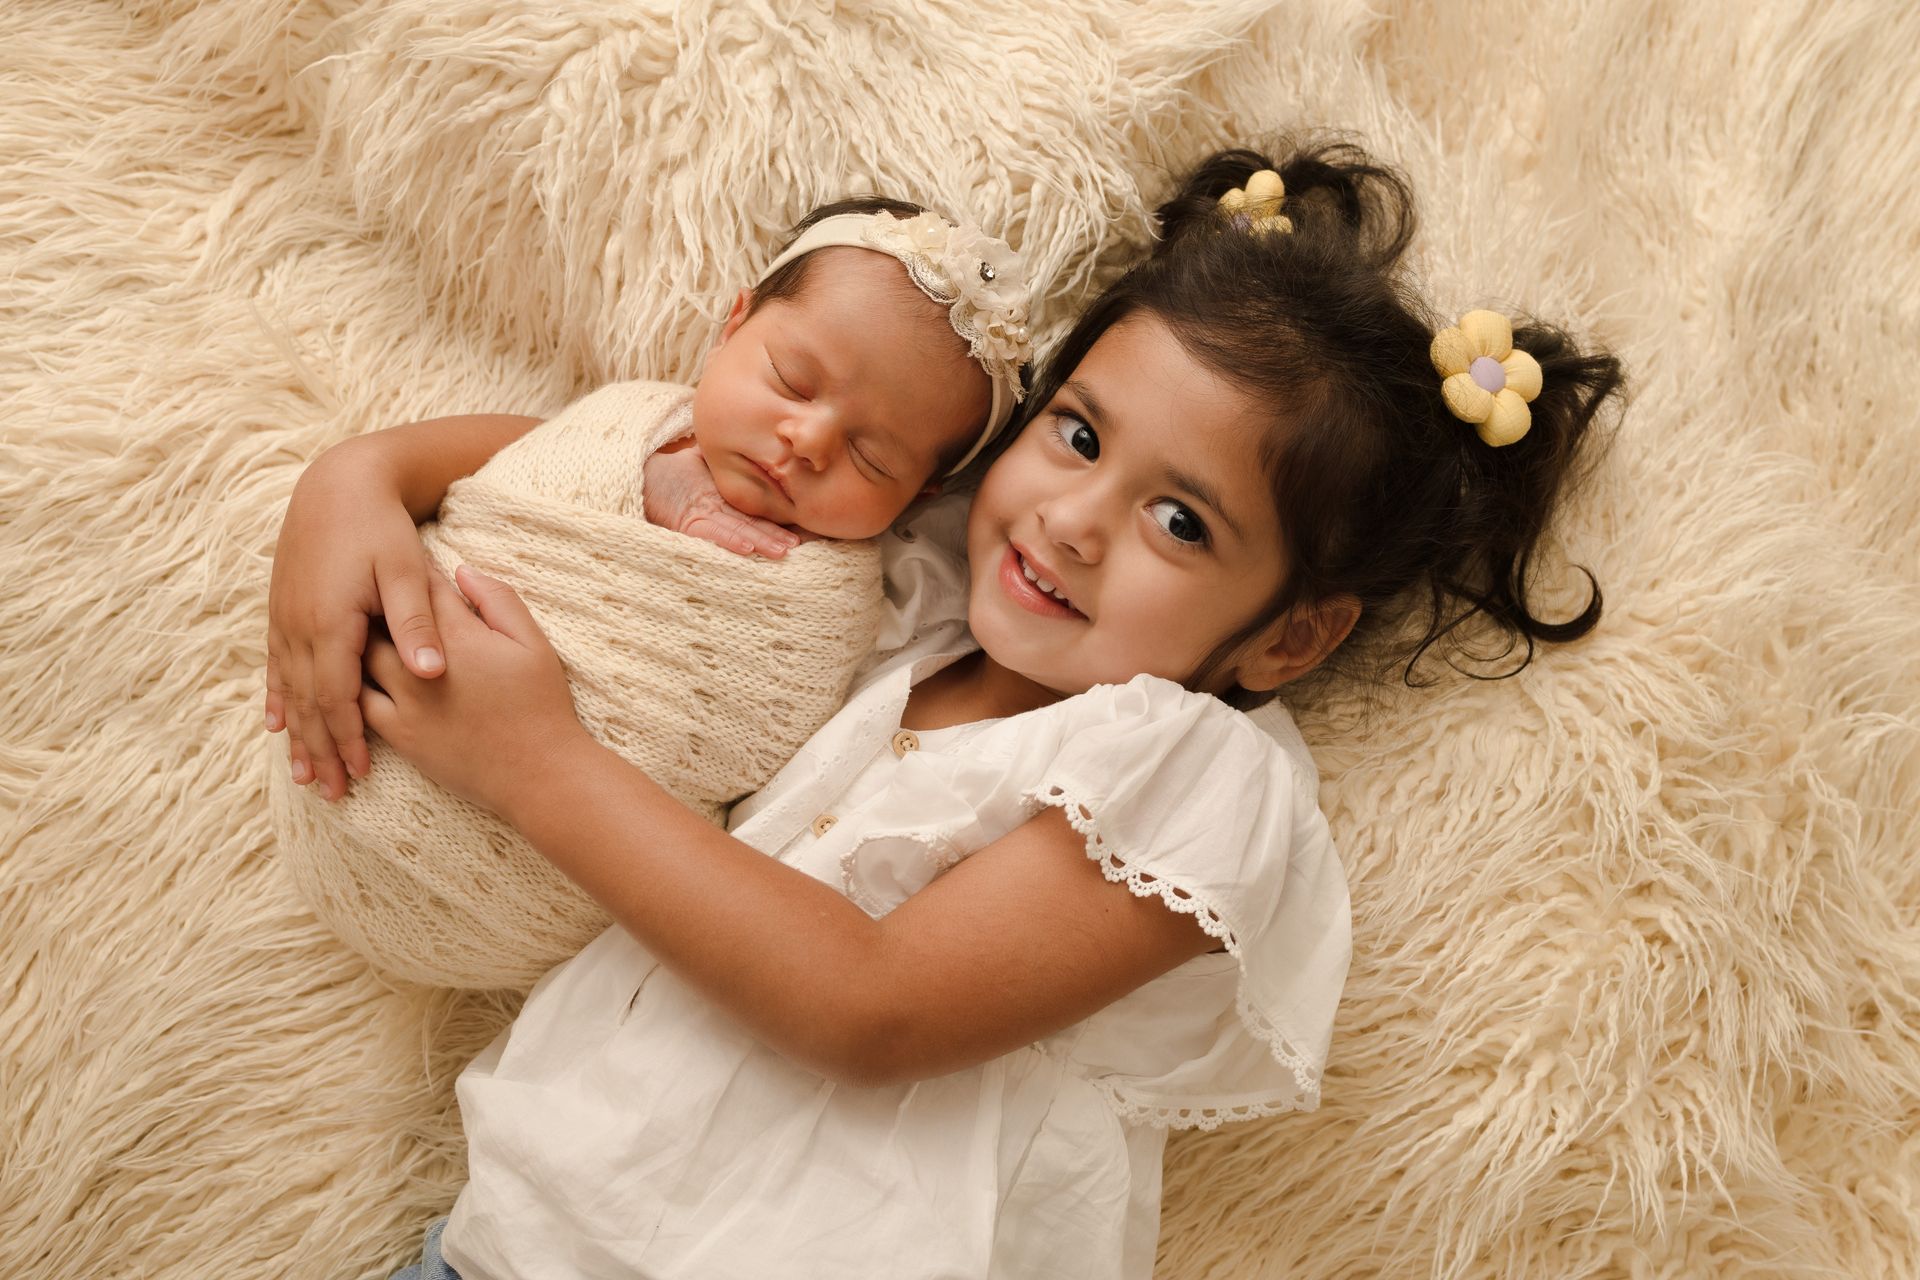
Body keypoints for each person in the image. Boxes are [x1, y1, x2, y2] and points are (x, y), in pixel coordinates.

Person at [325, 138, 1622, 1277]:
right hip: (511, 1230)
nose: (1074, 519)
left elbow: (871, 1008)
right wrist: (359, 481)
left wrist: (535, 761)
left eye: (1180, 521)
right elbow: (630, 452)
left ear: (1290, 634)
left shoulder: (1189, 775)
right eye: (1079, 436)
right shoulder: (907, 594)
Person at [265, 198, 1033, 986]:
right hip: (347, 732)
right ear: (733, 326)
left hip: (531, 892)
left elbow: (753, 752)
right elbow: (511, 479)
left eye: (872, 457)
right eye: (792, 381)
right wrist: (647, 477)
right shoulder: (627, 421)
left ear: (917, 496)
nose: (807, 441)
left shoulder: (833, 603)